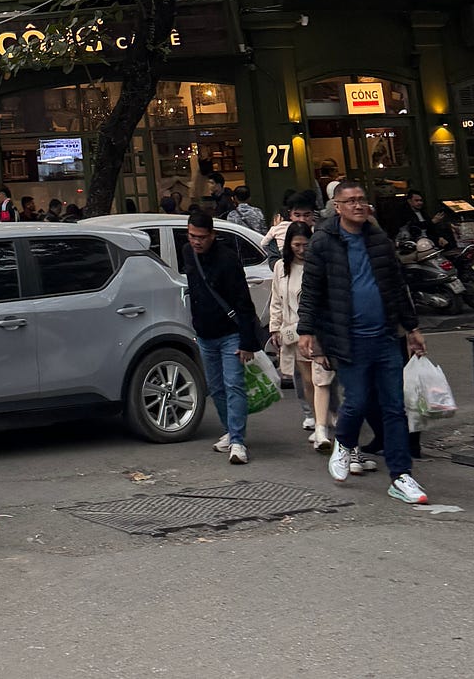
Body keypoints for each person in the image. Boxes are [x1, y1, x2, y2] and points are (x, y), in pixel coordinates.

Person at [296, 176, 429, 505]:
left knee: (394, 407)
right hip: (349, 338)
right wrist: (306, 331)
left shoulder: (379, 239)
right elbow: (311, 291)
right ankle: (344, 442)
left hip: (385, 336)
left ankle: (401, 475)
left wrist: (412, 328)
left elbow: (396, 286)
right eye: (350, 201)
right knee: (356, 401)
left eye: (361, 199)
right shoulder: (323, 242)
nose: (358, 205)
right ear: (337, 207)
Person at [181, 207, 261, 464]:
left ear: (212, 235)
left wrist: (247, 342)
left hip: (231, 334)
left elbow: (243, 301)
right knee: (215, 388)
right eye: (192, 236)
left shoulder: (227, 259)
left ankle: (238, 440)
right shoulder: (188, 253)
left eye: (201, 237)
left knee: (234, 384)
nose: (196, 241)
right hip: (205, 333)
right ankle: (230, 430)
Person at [269, 221, 333, 445]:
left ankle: (324, 425)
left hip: (317, 331)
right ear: (288, 244)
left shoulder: (317, 264)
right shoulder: (281, 267)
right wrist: (275, 327)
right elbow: (276, 300)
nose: (301, 250)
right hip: (293, 333)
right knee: (307, 380)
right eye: (297, 245)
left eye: (305, 244)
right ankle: (318, 420)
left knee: (321, 379)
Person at [264, 191, 319, 262]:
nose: (302, 220)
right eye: (297, 215)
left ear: (313, 214)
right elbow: (273, 260)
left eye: (306, 215)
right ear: (290, 215)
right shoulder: (279, 234)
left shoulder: (321, 234)